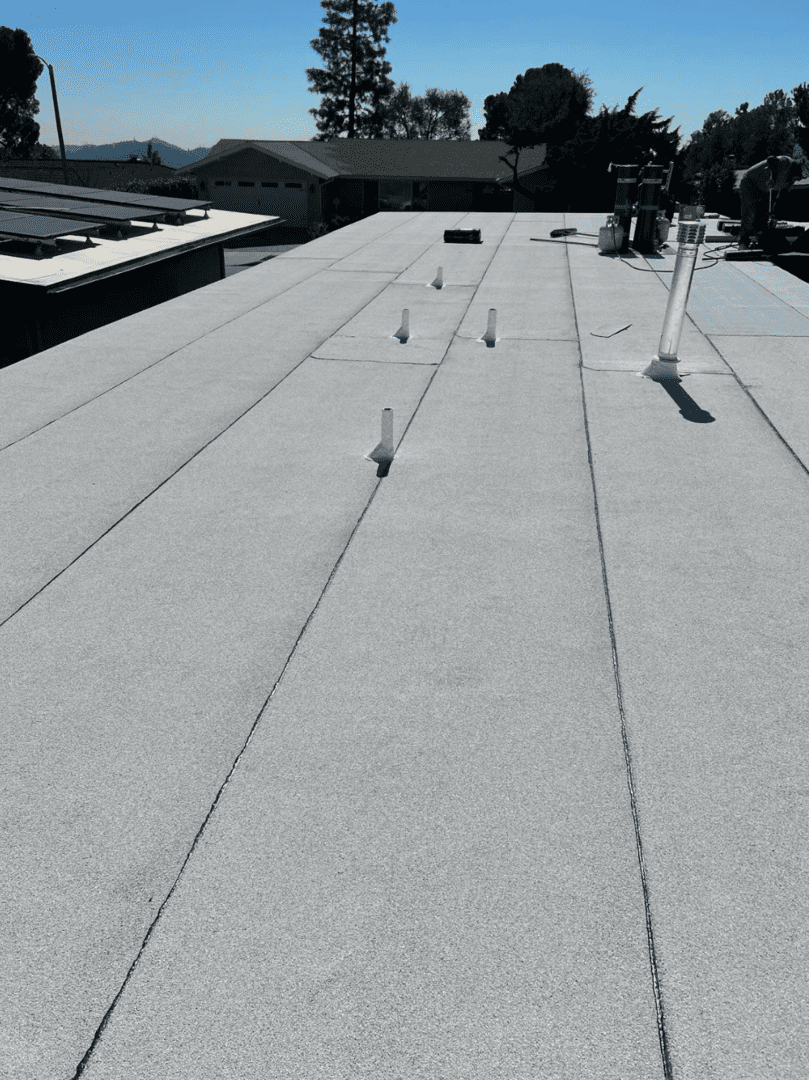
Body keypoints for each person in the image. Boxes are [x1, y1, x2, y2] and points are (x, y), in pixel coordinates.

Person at [738, 156, 803, 249]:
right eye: (796, 178)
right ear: (794, 172)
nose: (795, 181)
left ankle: (762, 240)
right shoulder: (786, 162)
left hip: (764, 189)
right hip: (750, 181)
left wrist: (774, 214)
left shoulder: (790, 180)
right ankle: (743, 241)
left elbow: (781, 198)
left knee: (763, 215)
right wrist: (774, 177)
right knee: (750, 213)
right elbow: (771, 159)